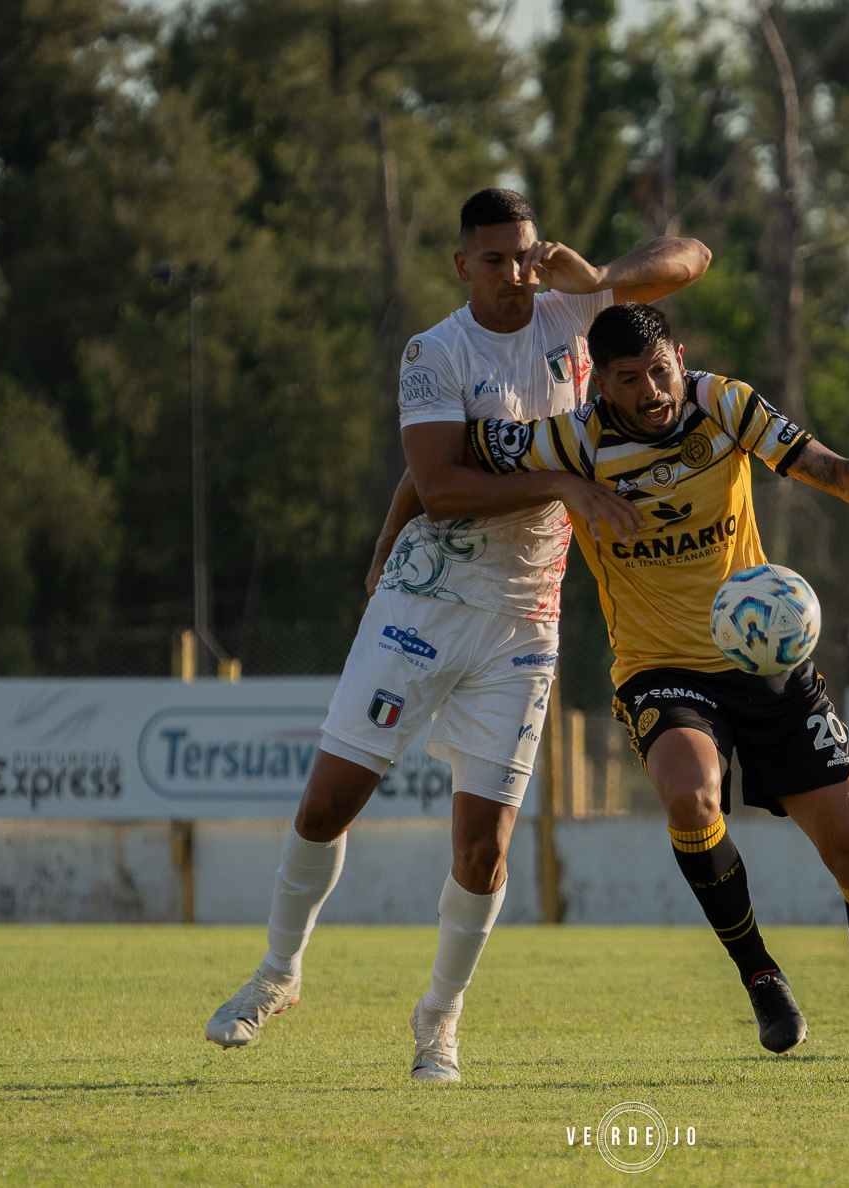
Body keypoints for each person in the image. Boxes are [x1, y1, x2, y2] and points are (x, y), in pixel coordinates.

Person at [204, 190, 711, 1083]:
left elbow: (692, 257)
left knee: (484, 850)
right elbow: (436, 485)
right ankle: (277, 976)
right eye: (497, 259)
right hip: (424, 603)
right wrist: (563, 489)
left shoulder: (573, 313)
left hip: (526, 621)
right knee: (327, 804)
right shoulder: (433, 352)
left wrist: (593, 275)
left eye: (525, 255)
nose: (516, 274)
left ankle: (438, 1023)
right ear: (461, 264)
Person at [465, 303, 849, 1082]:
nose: (653, 390)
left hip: (767, 662)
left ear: (679, 358)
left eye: (660, 370)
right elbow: (450, 453)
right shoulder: (573, 438)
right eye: (630, 380)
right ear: (602, 383)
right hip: (663, 667)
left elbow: (824, 466)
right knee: (692, 797)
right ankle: (761, 975)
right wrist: (565, 484)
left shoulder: (723, 404)